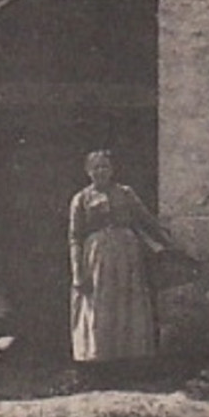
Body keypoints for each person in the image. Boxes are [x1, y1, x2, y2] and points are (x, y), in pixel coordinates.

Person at [67, 150, 178, 365]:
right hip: (97, 257)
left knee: (128, 302)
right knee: (100, 305)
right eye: (96, 168)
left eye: (105, 167)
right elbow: (74, 238)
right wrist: (77, 273)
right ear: (88, 172)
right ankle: (100, 360)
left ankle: (130, 359)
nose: (101, 172)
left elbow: (147, 220)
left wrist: (169, 244)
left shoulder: (125, 193)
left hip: (127, 256)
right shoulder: (81, 199)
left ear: (112, 169)